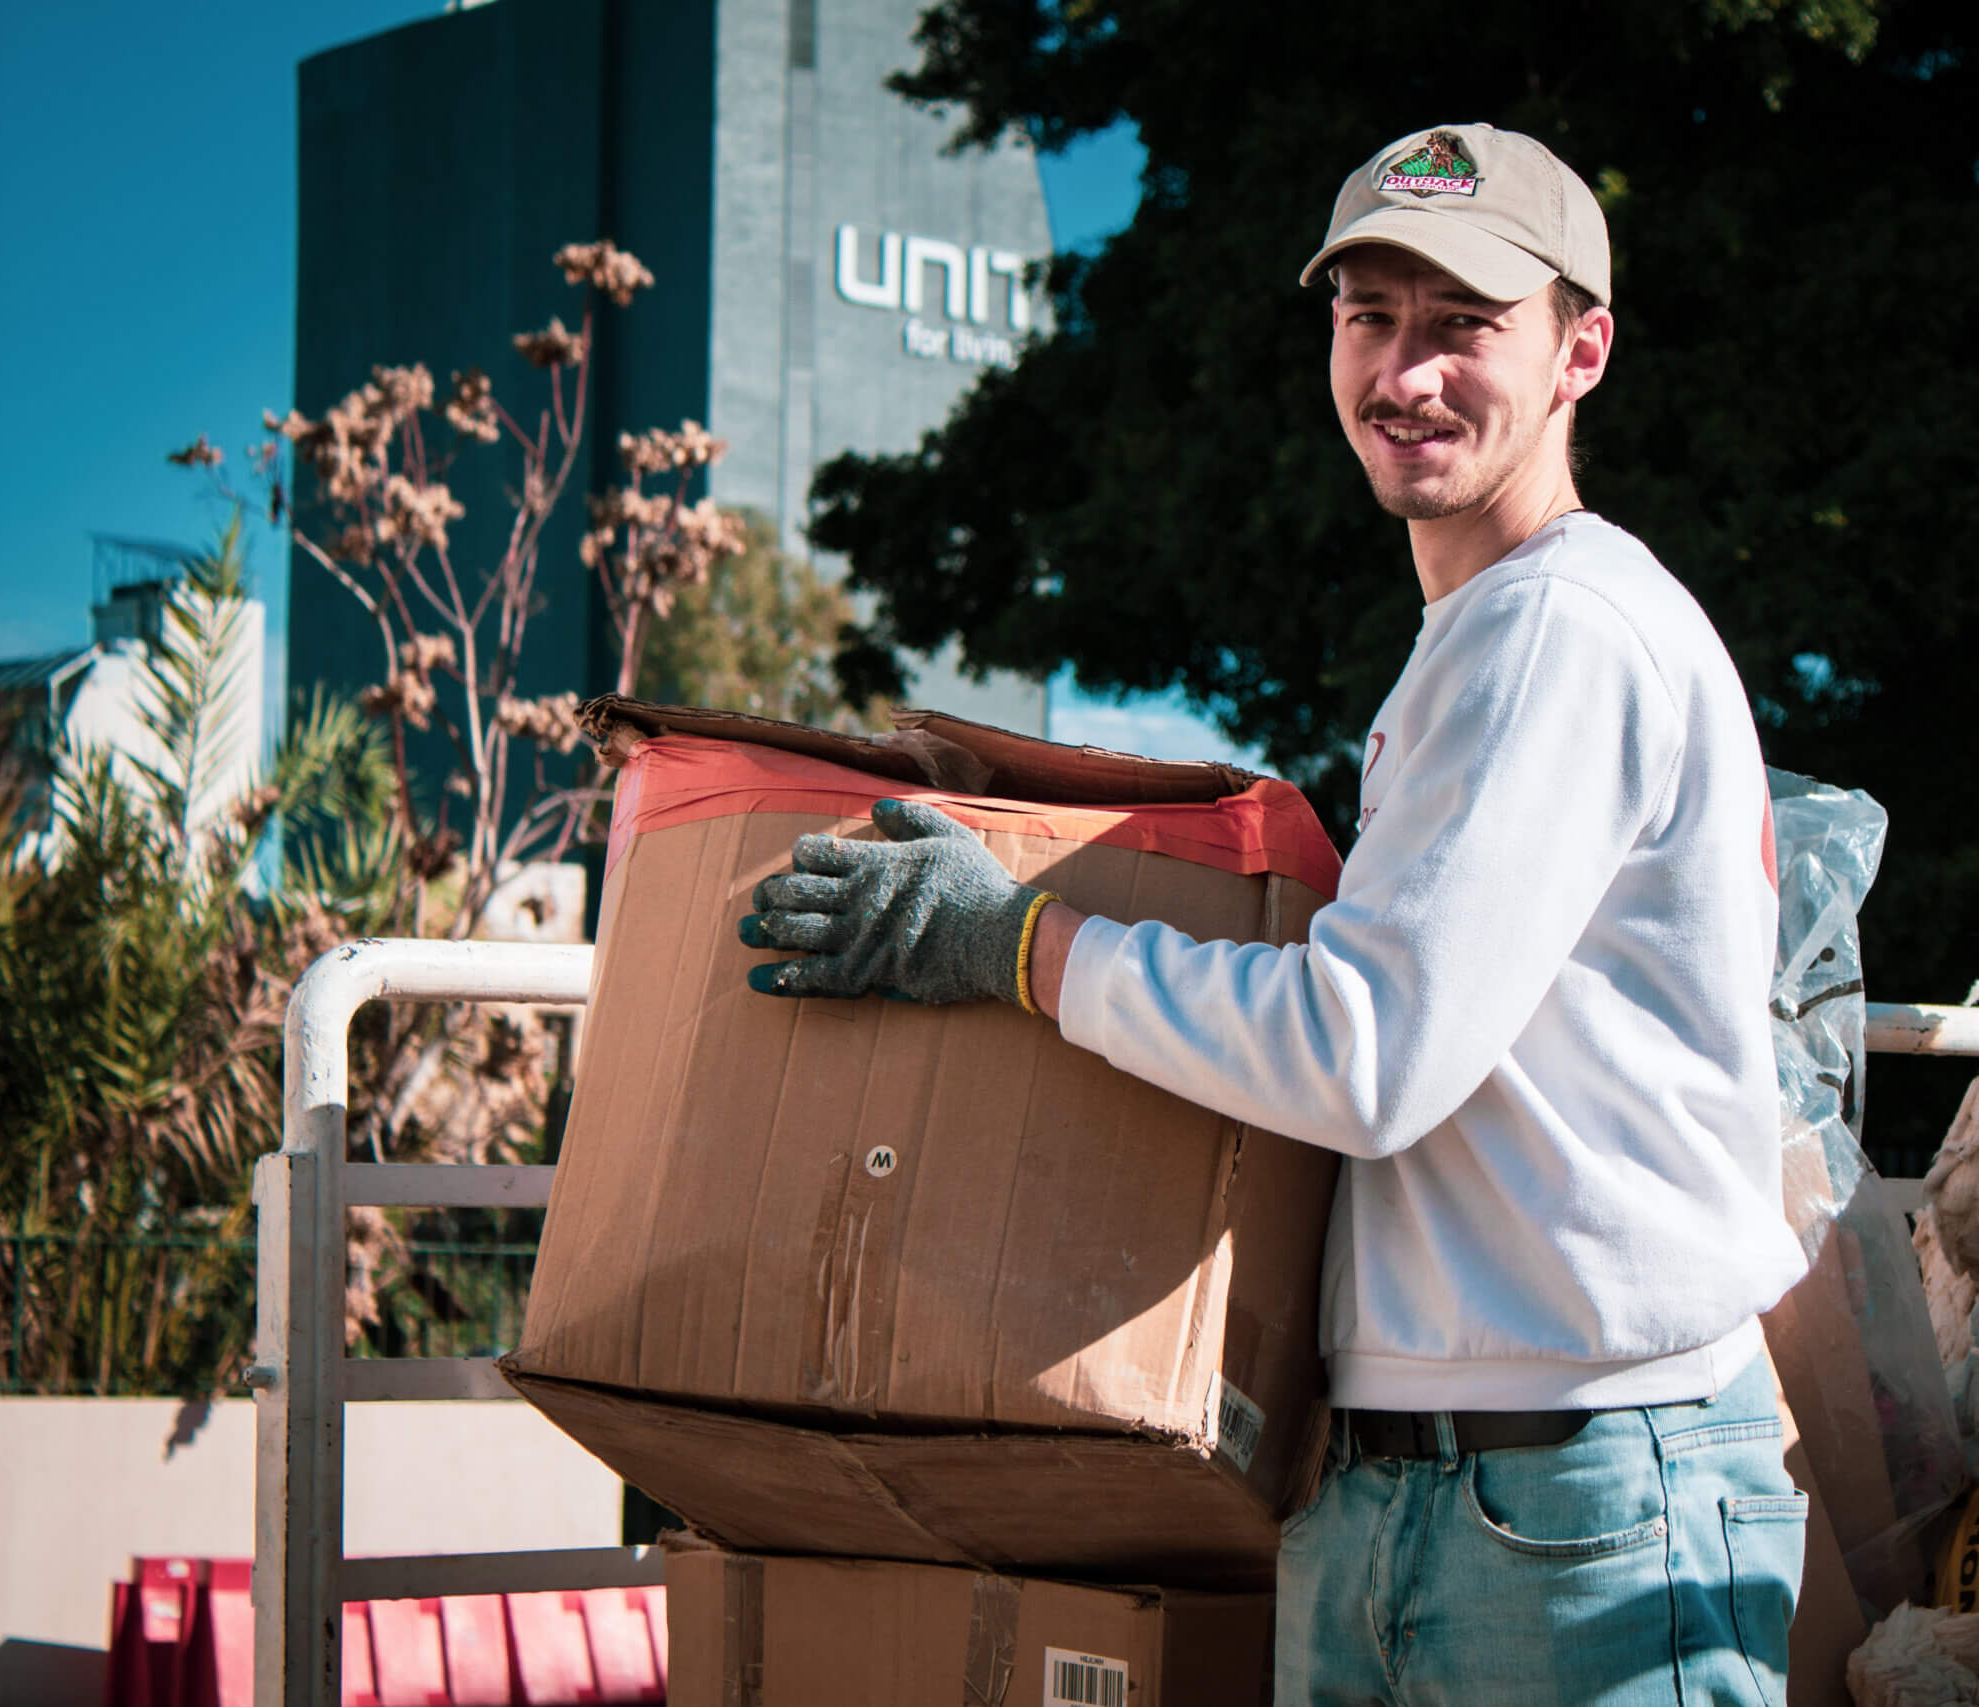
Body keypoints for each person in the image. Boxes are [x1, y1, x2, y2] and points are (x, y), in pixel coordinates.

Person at [737, 121, 1811, 1707]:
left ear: (1582, 349)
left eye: (1464, 326)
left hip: (1580, 1495)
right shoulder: (1477, 636)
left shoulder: (1559, 634)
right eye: (1370, 317)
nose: (1407, 372)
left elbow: (1366, 1051)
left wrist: (1018, 942)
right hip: (1412, 1480)